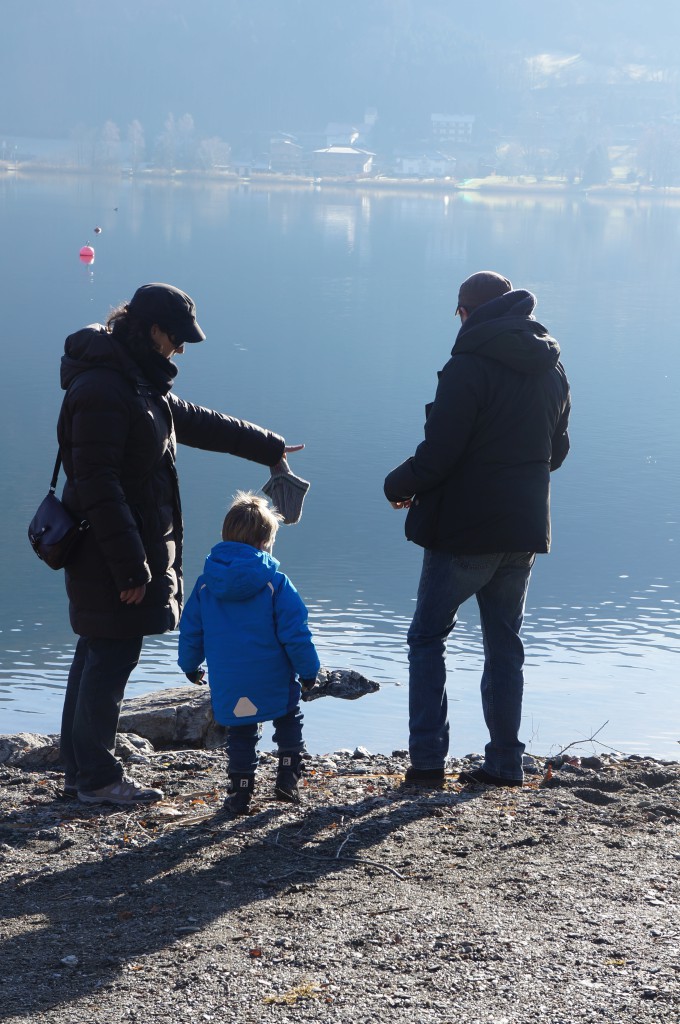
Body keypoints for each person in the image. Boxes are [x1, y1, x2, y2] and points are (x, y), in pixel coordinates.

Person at [58, 282, 303, 806]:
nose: (182, 349)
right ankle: (96, 779)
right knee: (109, 655)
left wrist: (269, 446)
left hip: (119, 546)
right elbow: (97, 483)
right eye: (177, 337)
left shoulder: (135, 381)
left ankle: (80, 770)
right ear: (152, 331)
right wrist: (130, 567)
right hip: (109, 550)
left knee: (98, 651)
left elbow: (194, 421)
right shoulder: (106, 386)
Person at [384, 271, 571, 789]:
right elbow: (556, 451)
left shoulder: (467, 367)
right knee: (504, 645)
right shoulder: (551, 367)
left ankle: (426, 764)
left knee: (426, 638)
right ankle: (505, 762)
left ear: (466, 312)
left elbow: (439, 455)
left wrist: (395, 484)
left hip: (464, 533)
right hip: (523, 532)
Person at [178, 491, 320, 815]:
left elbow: (191, 632)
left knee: (241, 732)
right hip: (273, 677)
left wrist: (190, 666)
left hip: (230, 681)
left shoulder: (204, 585)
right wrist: (309, 671)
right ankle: (287, 777)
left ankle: (240, 792)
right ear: (263, 543)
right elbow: (296, 633)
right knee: (288, 716)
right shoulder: (277, 584)